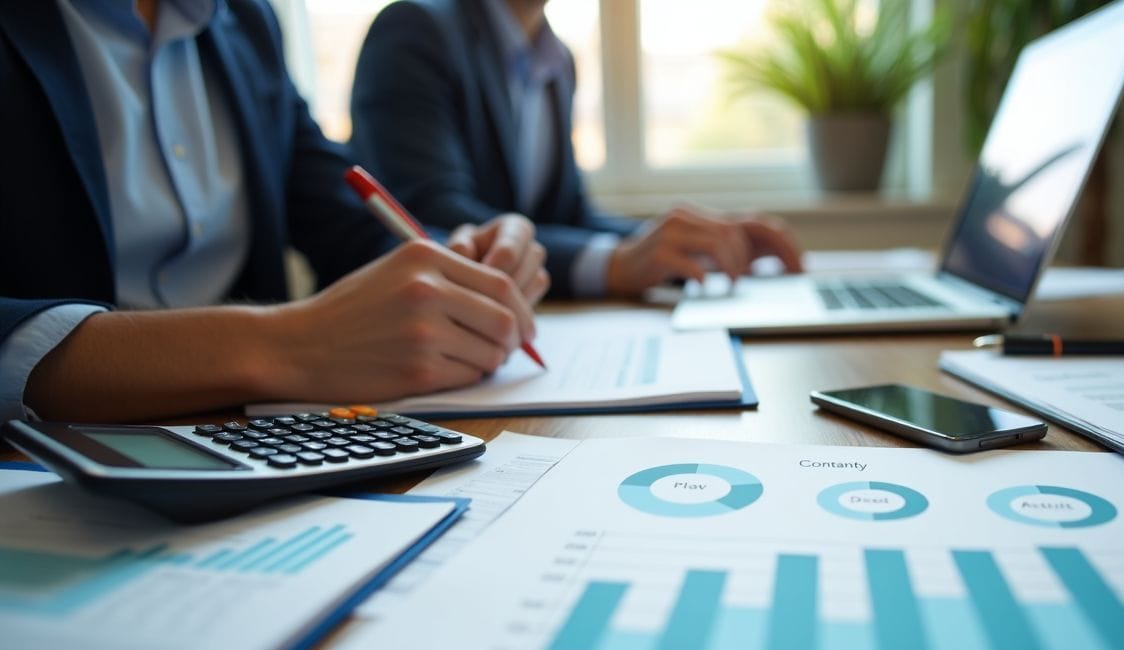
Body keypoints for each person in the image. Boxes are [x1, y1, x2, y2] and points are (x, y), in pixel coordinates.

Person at [0, 0, 549, 424]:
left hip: (245, 437)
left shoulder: (246, 19)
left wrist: (455, 265)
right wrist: (285, 343)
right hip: (43, 457)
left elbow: (344, 217)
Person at [350, 0, 805, 300]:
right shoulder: (414, 29)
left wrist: (691, 245)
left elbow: (568, 213)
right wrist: (616, 263)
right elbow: (435, 220)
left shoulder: (557, 60)